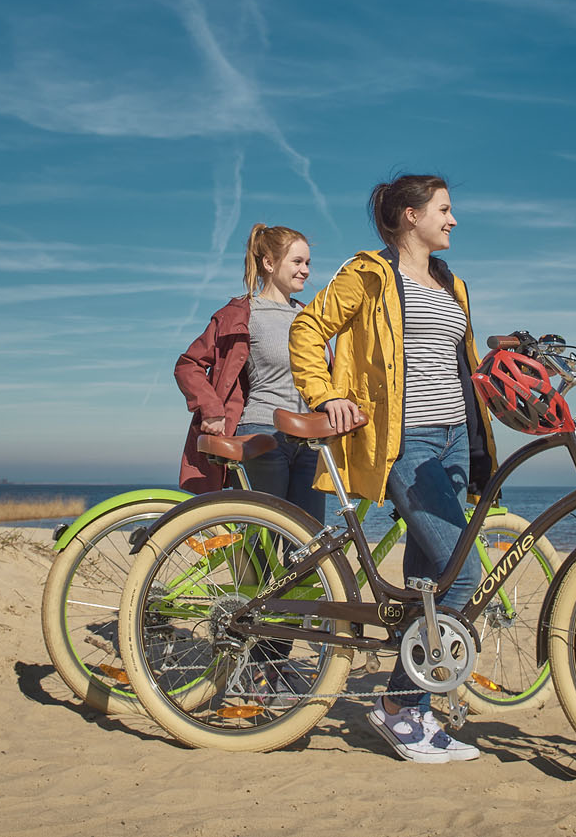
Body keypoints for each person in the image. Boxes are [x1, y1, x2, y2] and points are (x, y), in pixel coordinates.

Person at [287, 174, 498, 765]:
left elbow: (459, 362)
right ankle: (401, 706)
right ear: (410, 216)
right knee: (461, 576)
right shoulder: (369, 275)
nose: (453, 220)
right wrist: (324, 393)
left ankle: (420, 717)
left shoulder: (452, 282)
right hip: (404, 442)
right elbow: (308, 327)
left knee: (430, 579)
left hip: (457, 438)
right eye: (444, 209)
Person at [172, 223, 326, 525]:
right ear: (269, 263)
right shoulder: (242, 314)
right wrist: (211, 410)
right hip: (262, 434)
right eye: (297, 262)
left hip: (309, 441)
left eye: (308, 263)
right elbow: (188, 364)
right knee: (259, 539)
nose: (306, 270)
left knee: (310, 543)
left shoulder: (310, 317)